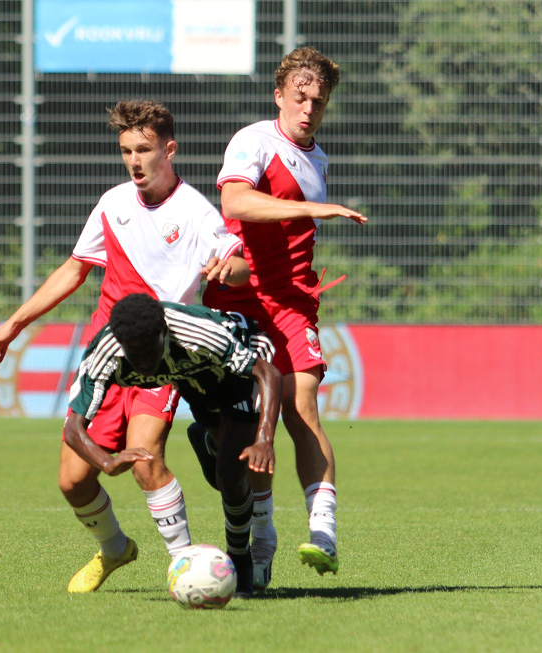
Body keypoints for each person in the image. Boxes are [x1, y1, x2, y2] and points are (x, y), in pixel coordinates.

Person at [0, 100, 249, 593]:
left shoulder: (193, 211)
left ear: (169, 149)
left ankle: (185, 566)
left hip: (161, 355)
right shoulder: (113, 203)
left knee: (146, 454)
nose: (134, 160)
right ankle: (114, 549)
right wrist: (14, 322)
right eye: (126, 150)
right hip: (108, 356)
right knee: (73, 480)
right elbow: (74, 268)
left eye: (144, 149)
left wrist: (225, 271)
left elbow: (236, 264)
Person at [193, 46, 368, 588]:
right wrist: (314, 209)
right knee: (242, 428)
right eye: (300, 96)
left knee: (301, 408)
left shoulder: (318, 158)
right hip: (239, 301)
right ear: (279, 96)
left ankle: (324, 534)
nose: (309, 107)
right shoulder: (254, 141)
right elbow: (237, 206)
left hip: (292, 303)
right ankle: (262, 543)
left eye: (319, 100)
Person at [64, 294, 282, 598]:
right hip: (191, 377)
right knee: (223, 469)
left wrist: (264, 440)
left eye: (149, 353)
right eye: (134, 356)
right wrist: (107, 462)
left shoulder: (197, 334)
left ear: (163, 333)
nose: (143, 364)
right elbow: (73, 428)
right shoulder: (106, 351)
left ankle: (239, 559)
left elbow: (269, 373)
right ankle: (211, 442)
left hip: (238, 365)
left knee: (231, 476)